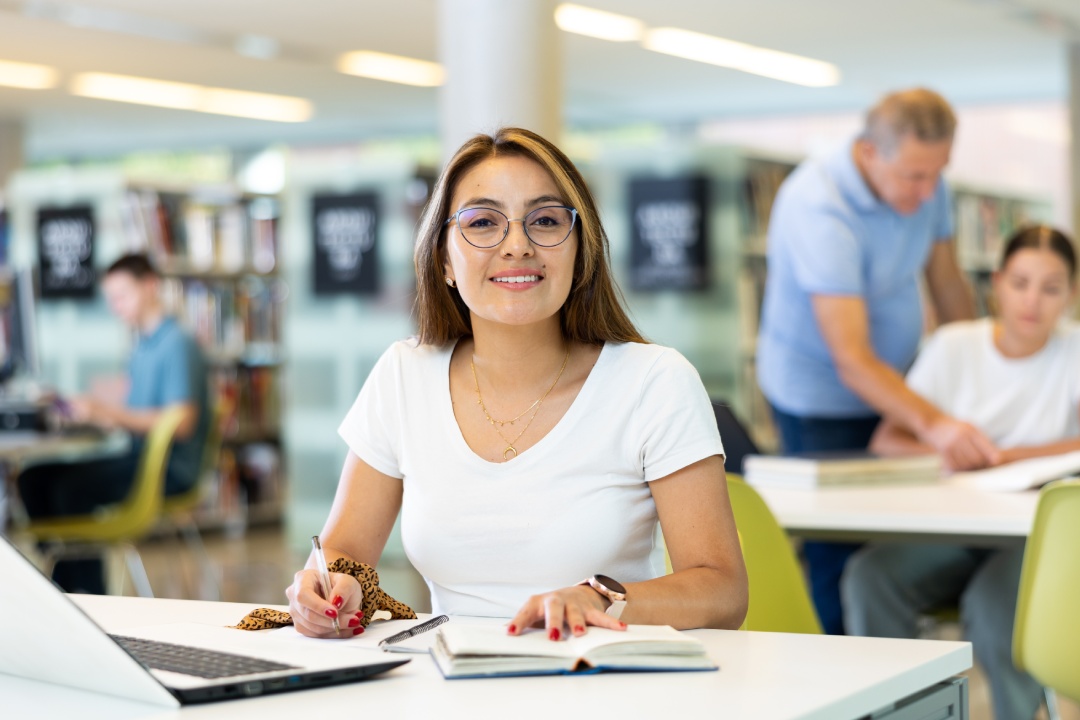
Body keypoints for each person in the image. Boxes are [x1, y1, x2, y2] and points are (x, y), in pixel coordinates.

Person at [286, 127, 748, 639]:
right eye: (483, 222)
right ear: (443, 259)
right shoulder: (404, 375)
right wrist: (330, 587)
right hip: (449, 685)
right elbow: (343, 551)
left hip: (603, 684)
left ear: (580, 251)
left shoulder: (654, 382)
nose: (517, 245)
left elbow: (722, 591)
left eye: (546, 221)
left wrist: (600, 598)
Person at [755, 88, 989, 634]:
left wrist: (974, 369)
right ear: (868, 152)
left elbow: (949, 285)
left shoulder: (929, 186)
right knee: (839, 549)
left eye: (938, 173)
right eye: (913, 176)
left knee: (902, 532)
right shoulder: (818, 204)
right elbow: (853, 360)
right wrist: (934, 423)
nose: (927, 191)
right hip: (819, 399)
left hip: (899, 387)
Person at [842, 225, 1079, 720]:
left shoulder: (1073, 351)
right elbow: (887, 441)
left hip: (1031, 539)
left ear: (1072, 296)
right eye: (1019, 283)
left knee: (997, 610)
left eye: (1051, 288)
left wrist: (1009, 457)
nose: (1032, 301)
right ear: (996, 282)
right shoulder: (954, 346)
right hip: (951, 528)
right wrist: (940, 453)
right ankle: (903, 710)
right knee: (870, 576)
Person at [19, 253, 210, 594]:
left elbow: (180, 424)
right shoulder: (141, 346)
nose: (115, 306)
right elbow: (136, 409)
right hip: (136, 456)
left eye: (122, 296)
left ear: (150, 286)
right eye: (111, 299)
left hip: (166, 469)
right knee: (33, 478)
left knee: (70, 489)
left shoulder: (177, 343)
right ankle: (65, 584)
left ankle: (88, 595)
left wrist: (107, 412)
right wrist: (93, 411)